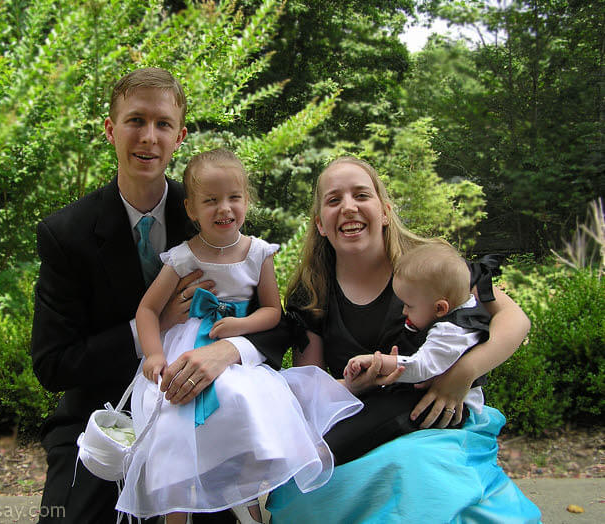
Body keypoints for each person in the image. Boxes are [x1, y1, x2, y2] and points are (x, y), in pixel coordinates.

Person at [31, 68, 282, 523]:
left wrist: (229, 349)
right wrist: (153, 326)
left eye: (163, 124)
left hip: (202, 412)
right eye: (135, 120)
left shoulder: (213, 207)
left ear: (179, 136)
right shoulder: (65, 235)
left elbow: (276, 320)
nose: (149, 137)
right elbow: (53, 363)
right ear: (111, 129)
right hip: (107, 414)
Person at [265, 157, 542, 522]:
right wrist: (350, 385)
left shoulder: (431, 264)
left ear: (384, 211)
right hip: (359, 421)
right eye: (333, 200)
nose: (348, 207)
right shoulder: (310, 290)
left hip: (437, 419)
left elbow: (515, 319)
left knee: (409, 473)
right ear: (320, 224)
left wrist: (461, 374)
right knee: (305, 485)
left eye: (361, 195)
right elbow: (311, 388)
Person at [114, 149, 362, 524]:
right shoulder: (183, 257)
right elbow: (147, 310)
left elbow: (272, 312)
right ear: (192, 210)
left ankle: (247, 500)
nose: (224, 208)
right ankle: (175, 512)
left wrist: (239, 327)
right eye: (210, 201)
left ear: (247, 201)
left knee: (245, 402)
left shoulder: (257, 253)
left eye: (233, 198)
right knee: (172, 419)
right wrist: (152, 355)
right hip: (185, 345)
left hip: (236, 349)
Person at [342, 241, 493, 444]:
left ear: (440, 308)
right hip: (423, 395)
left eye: (409, 306)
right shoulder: (457, 307)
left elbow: (423, 367)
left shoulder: (452, 330)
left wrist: (379, 362)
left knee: (367, 428)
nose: (404, 311)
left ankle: (331, 452)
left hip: (446, 409)